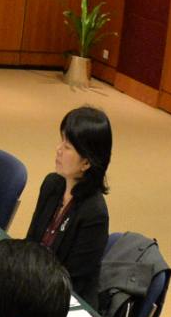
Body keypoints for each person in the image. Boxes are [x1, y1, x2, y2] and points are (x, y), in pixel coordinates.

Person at [24, 107, 111, 301]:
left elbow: (73, 283)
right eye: (61, 140)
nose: (59, 149)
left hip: (63, 300)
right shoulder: (52, 184)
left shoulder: (94, 213)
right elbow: (31, 243)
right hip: (35, 288)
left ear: (86, 163)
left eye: (68, 146)